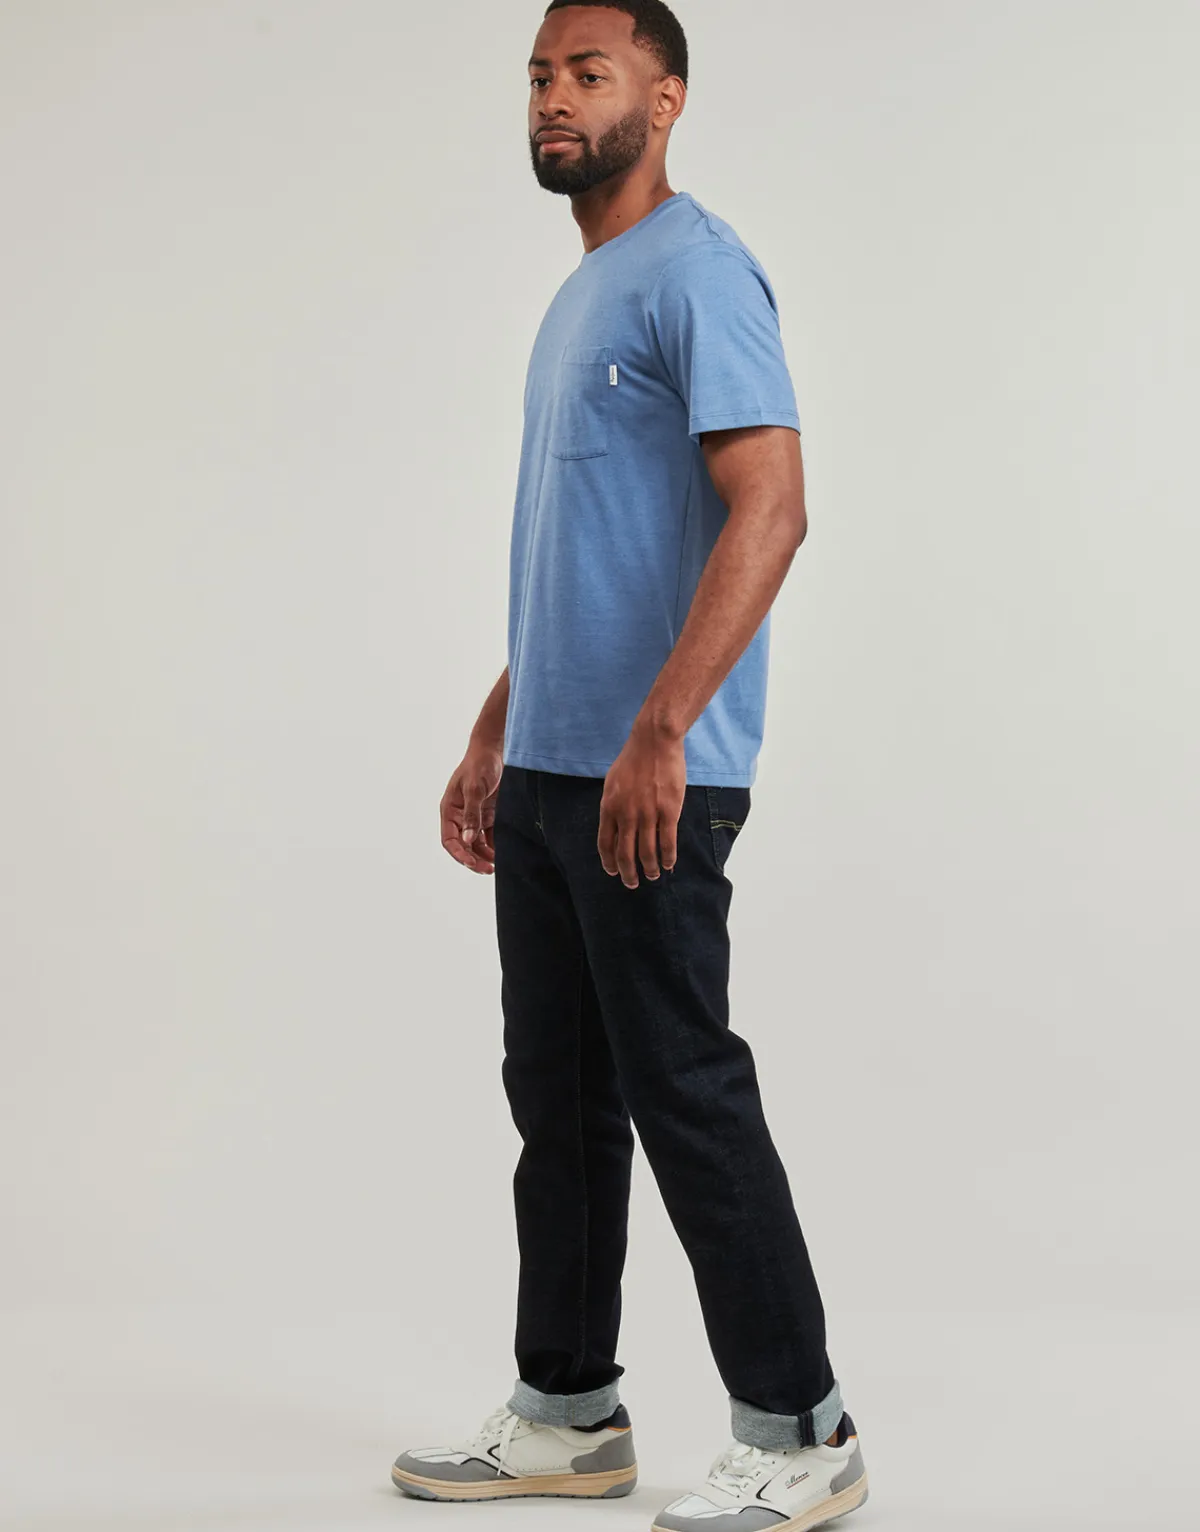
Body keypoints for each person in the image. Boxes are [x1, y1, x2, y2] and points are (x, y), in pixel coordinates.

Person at [391, 3, 869, 1528]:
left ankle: (802, 1431)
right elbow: (584, 555)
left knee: (684, 1091)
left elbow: (773, 508)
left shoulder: (699, 272)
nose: (555, 96)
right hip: (553, 770)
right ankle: (568, 1412)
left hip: (650, 777)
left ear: (663, 102)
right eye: (541, 74)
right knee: (561, 1103)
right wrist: (499, 725)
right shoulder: (584, 292)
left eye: (589, 74)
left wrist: (662, 730)